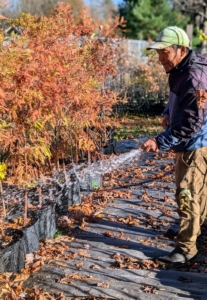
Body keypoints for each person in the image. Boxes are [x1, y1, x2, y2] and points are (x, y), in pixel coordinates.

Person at [141, 26, 207, 266]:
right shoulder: (180, 69)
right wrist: (168, 111)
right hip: (195, 143)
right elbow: (176, 99)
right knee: (197, 193)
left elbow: (192, 124)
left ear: (181, 49)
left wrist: (160, 141)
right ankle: (192, 233)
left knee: (187, 195)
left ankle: (185, 249)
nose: (160, 59)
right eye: (158, 53)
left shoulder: (192, 76)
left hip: (195, 146)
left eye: (164, 52)